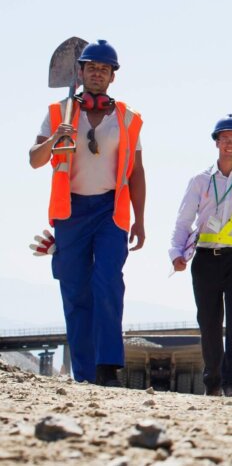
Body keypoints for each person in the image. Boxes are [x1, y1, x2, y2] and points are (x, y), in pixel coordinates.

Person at [28, 39, 146, 386]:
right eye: (91, 67)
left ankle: (107, 367)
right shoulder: (58, 113)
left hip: (111, 210)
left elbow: (136, 172)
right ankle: (84, 373)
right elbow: (34, 159)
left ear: (112, 76)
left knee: (108, 281)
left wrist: (140, 218)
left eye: (104, 69)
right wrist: (55, 139)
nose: (98, 73)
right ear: (80, 72)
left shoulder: (127, 118)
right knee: (75, 290)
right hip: (71, 212)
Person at [169, 114, 232, 398]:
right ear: (216, 143)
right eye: (224, 138)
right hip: (205, 259)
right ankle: (212, 381)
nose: (229, 144)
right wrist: (176, 252)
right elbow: (183, 220)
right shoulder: (199, 181)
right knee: (209, 320)